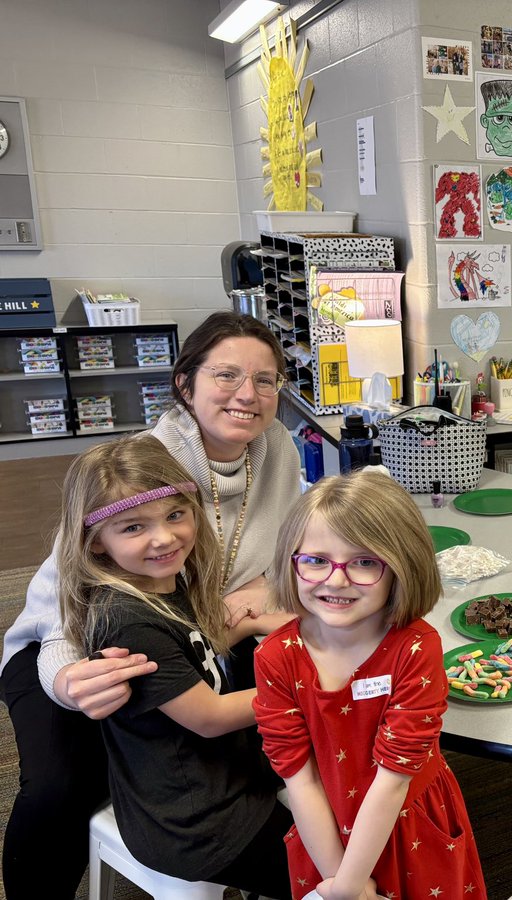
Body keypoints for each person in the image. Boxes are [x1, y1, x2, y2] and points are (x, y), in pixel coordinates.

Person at [0, 311, 301, 898]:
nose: (249, 394)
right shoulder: (140, 469)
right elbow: (64, 604)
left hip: (188, 628)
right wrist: (67, 680)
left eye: (266, 380)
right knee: (63, 786)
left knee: (251, 736)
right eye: (227, 375)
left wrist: (254, 597)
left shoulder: (277, 446)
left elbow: (278, 553)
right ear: (185, 384)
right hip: (75, 644)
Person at [53, 436, 293, 894]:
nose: (163, 538)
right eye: (132, 528)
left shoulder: (157, 580)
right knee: (336, 871)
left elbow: (193, 649)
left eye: (175, 515)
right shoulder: (127, 619)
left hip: (215, 781)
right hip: (198, 824)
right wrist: (310, 684)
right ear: (96, 542)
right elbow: (209, 717)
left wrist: (278, 624)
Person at [255, 471, 485, 900]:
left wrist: (345, 888)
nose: (336, 580)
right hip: (323, 830)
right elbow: (298, 779)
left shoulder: (416, 648)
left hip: (410, 823)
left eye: (364, 562)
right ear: (292, 561)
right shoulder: (276, 656)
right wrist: (345, 886)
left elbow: (393, 780)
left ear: (401, 566)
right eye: (316, 560)